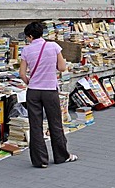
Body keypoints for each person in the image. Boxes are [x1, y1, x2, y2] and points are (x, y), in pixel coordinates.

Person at [19, 22, 78, 168]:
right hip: (50, 90)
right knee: (55, 124)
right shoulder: (53, 46)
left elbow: (21, 73)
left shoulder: (26, 50)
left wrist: (29, 82)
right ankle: (61, 156)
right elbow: (62, 67)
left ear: (30, 36)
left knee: (35, 125)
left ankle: (40, 161)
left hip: (33, 91)